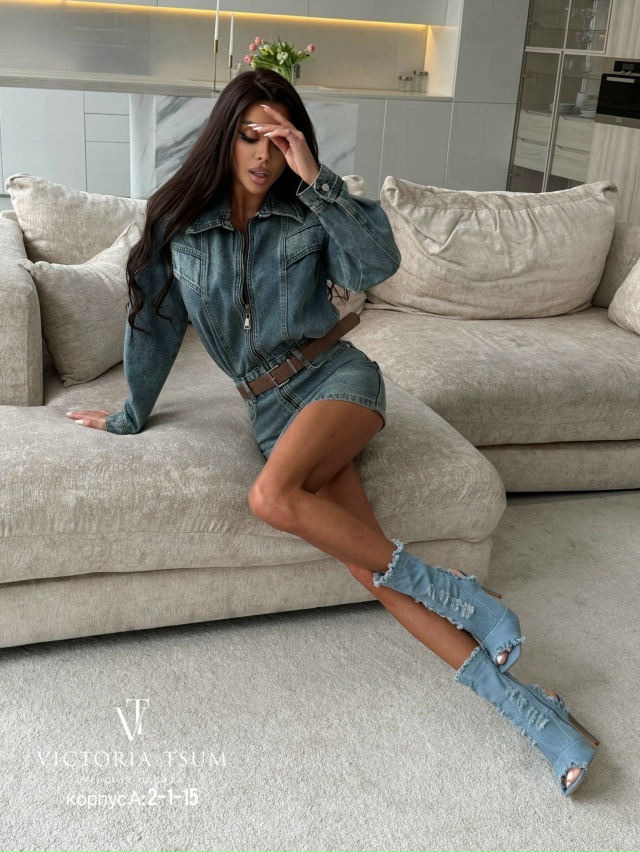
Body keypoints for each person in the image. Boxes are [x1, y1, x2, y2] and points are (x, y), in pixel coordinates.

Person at [65, 69, 599, 796]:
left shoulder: (308, 211)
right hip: (268, 409)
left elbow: (379, 264)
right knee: (369, 570)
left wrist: (319, 181)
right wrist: (130, 413)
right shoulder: (178, 224)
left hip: (335, 380)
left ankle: (467, 599)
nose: (263, 155)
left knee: (270, 496)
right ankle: (536, 716)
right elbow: (153, 326)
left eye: (279, 140)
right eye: (249, 137)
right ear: (224, 139)